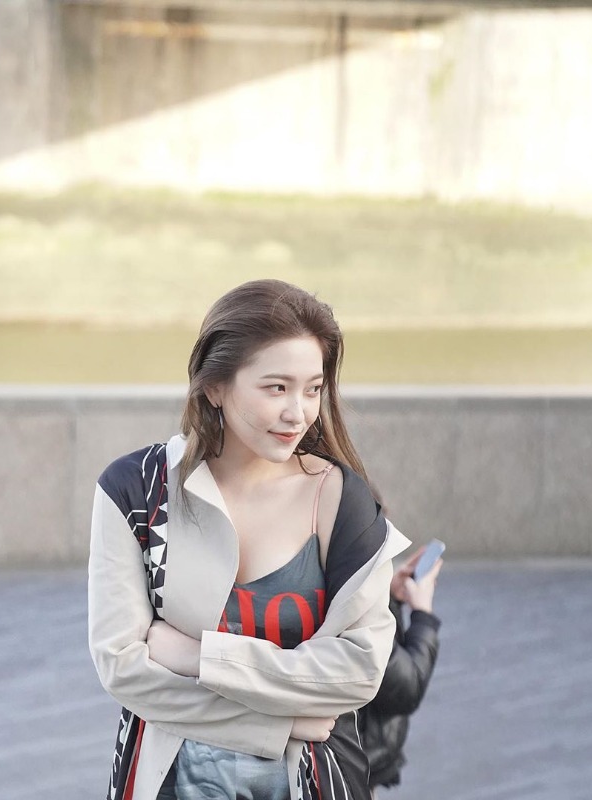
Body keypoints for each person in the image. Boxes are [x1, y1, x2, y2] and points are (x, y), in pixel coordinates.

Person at [88, 279, 410, 800]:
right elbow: (123, 668)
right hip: (168, 781)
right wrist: (280, 724)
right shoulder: (136, 491)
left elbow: (358, 672)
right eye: (276, 388)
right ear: (215, 386)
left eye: (313, 389)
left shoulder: (340, 498)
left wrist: (200, 658)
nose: (298, 412)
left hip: (312, 781)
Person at [360, 548, 442, 798]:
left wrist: (387, 596)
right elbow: (407, 688)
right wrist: (423, 615)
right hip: (353, 764)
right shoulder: (354, 602)